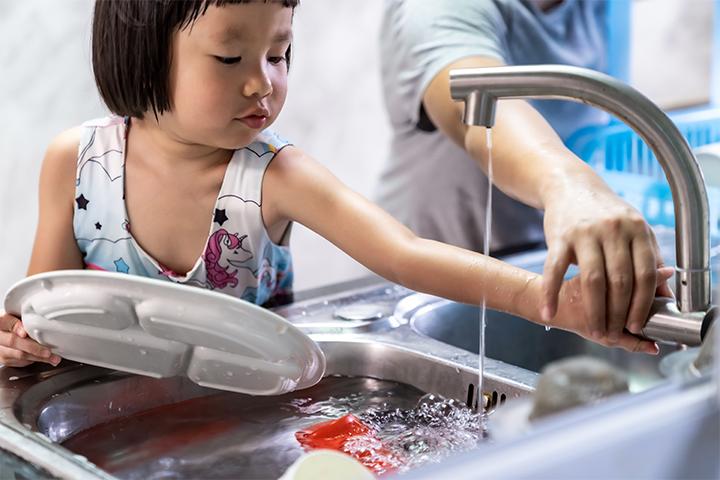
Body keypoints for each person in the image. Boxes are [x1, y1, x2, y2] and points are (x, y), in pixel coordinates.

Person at [0, 0, 669, 368]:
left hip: (243, 406)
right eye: (230, 56)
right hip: (107, 410)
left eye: (280, 54)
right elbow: (48, 308)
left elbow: (403, 254)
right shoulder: (77, 160)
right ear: (141, 48)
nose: (263, 81)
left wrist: (550, 301)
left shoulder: (272, 175)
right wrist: (17, 339)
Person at [376, 0, 671, 345]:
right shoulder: (438, 8)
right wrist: (569, 186)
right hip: (428, 284)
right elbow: (482, 109)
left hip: (538, 265)